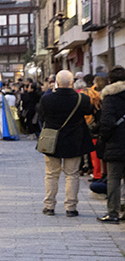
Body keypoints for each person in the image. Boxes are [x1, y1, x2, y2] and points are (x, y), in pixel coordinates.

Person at [37, 70, 93, 217]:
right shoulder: (82, 99)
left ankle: (49, 206)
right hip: (74, 141)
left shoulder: (47, 98)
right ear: (72, 82)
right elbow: (90, 111)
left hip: (51, 141)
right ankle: (71, 207)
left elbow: (42, 115)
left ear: (56, 82)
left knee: (51, 174)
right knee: (72, 174)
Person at [98, 66, 125, 223]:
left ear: (110, 80)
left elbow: (106, 122)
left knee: (114, 179)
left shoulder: (110, 97)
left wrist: (105, 138)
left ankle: (113, 212)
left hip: (116, 142)